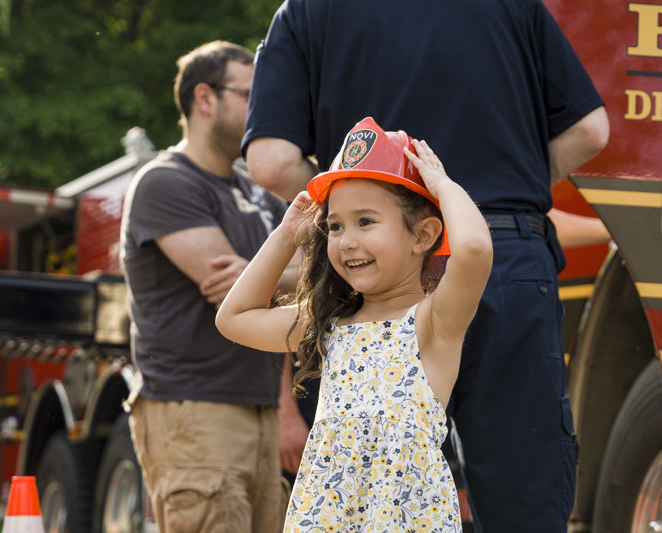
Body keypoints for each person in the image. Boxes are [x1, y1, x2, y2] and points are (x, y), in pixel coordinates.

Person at [241, 2, 610, 531]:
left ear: (425, 235)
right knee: (524, 495)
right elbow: (591, 131)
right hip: (507, 250)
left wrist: (348, 212)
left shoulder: (306, 10)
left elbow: (271, 162)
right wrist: (465, 196)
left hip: (377, 279)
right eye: (339, 225)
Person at [217, 117, 493, 531]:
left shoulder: (433, 321)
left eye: (365, 221)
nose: (347, 241)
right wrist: (286, 235)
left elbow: (473, 248)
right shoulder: (328, 322)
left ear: (424, 235)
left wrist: (442, 186)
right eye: (334, 226)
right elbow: (234, 318)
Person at [119, 40, 296, 533]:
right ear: (204, 98)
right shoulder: (165, 183)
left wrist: (260, 277)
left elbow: (310, 281)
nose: (263, 108)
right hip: (194, 411)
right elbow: (238, 293)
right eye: (249, 95)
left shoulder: (261, 195)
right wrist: (281, 281)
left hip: (261, 410)